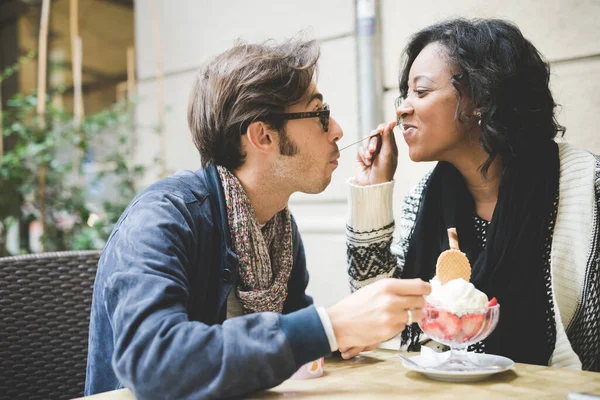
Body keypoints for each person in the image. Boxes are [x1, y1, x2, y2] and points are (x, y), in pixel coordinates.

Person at [85, 38, 431, 399]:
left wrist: (344, 332)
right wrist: (330, 326)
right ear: (263, 135)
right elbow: (151, 361)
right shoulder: (164, 216)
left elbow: (293, 343)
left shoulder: (277, 228)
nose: (338, 130)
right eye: (320, 115)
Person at [347, 18, 599, 372]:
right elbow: (378, 312)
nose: (403, 108)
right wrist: (372, 194)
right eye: (405, 93)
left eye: (420, 92)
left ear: (481, 97)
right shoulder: (424, 198)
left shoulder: (586, 185)